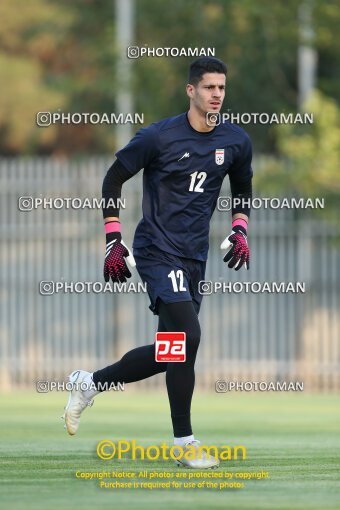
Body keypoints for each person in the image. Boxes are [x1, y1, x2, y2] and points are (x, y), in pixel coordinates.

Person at [63, 56, 252, 469]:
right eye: (209, 88)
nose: (216, 94)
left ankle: (89, 383)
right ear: (191, 91)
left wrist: (240, 228)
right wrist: (114, 239)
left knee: (172, 352)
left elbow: (243, 185)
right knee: (189, 335)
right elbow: (112, 178)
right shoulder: (159, 137)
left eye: (221, 87)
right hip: (155, 250)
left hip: (195, 257)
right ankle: (185, 442)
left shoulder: (235, 141)